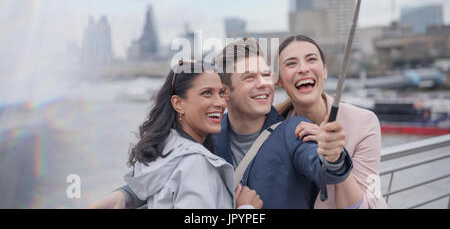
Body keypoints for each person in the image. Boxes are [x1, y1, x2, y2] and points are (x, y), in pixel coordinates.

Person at [92, 38, 353, 209]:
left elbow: (328, 170)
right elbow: (168, 172)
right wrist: (125, 196)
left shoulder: (292, 132)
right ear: (225, 91)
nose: (264, 83)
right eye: (249, 77)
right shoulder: (208, 137)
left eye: (265, 74)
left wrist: (332, 154)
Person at [121, 59, 262, 209]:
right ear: (178, 104)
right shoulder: (196, 163)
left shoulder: (163, 152)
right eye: (207, 93)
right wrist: (246, 209)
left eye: (221, 93)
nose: (220, 103)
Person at [276, 34, 388, 209]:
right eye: (291, 63)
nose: (303, 69)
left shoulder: (363, 122)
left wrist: (337, 158)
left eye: (311, 59)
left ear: (325, 70)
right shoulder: (275, 128)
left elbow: (368, 205)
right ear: (279, 80)